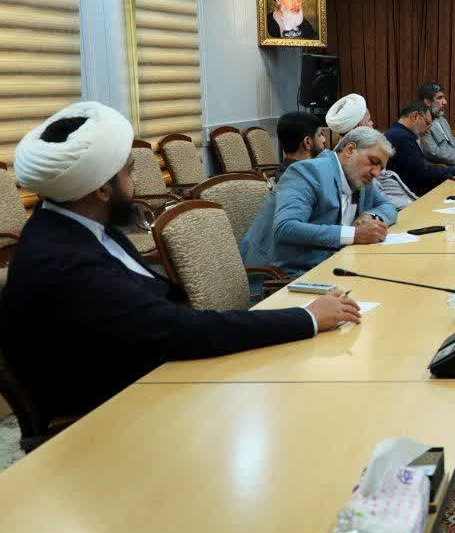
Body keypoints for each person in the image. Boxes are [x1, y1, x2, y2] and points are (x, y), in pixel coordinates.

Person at [0, 102, 361, 418]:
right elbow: (176, 330)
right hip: (121, 411)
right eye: (129, 171)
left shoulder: (78, 226)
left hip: (158, 371)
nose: (136, 181)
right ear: (102, 189)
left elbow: (163, 318)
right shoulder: (64, 261)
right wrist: (306, 318)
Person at [240, 127, 399, 278]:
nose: (376, 173)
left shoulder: (360, 177)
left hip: (331, 265)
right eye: (373, 161)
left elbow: (388, 206)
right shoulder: (307, 173)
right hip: (283, 276)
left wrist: (369, 216)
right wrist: (355, 234)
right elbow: (285, 227)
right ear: (350, 150)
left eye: (381, 167)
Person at [384, 101, 455, 198]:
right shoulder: (402, 137)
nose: (428, 129)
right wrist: (454, 170)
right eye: (428, 123)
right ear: (415, 117)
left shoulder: (398, 133)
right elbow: (421, 175)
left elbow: (416, 168)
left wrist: (441, 168)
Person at [417, 82, 455, 166]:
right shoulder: (422, 123)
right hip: (443, 168)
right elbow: (433, 152)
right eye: (439, 98)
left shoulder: (442, 120)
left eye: (443, 98)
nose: (445, 102)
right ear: (427, 102)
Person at [276, 111, 327, 176]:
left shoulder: (285, 173)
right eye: (319, 135)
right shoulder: (308, 178)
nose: (324, 139)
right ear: (307, 142)